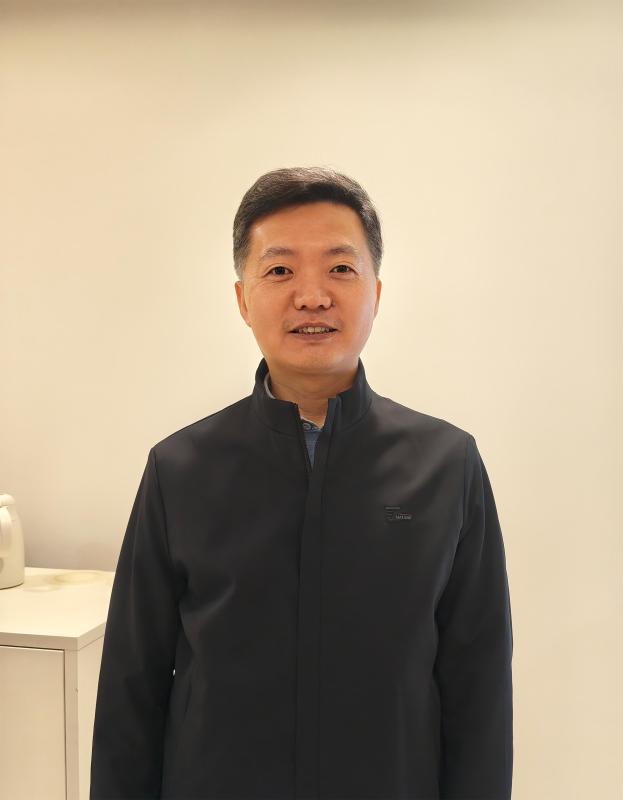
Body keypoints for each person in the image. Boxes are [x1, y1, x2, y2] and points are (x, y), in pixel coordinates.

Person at [90, 166, 514, 800]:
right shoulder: (179, 468)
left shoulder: (447, 464)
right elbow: (132, 685)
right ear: (243, 299)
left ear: (376, 292)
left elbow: (478, 683)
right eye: (280, 270)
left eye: (340, 268)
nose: (312, 296)